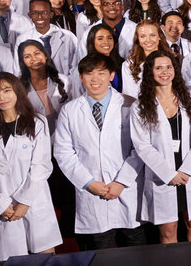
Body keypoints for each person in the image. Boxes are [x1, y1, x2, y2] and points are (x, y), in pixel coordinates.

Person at [53, 54, 145, 250]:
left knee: (136, 250)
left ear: (112, 75)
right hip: (92, 191)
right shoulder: (70, 110)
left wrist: (121, 182)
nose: (95, 79)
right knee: (103, 253)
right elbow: (63, 152)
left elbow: (140, 148)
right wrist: (88, 183)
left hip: (126, 189)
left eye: (101, 73)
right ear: (81, 77)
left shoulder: (130, 105)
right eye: (89, 73)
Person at [0, 73, 61, 260]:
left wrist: (24, 202)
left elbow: (41, 165)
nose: (1, 98)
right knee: (11, 259)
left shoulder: (37, 122)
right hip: (1, 205)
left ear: (17, 91)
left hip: (33, 201)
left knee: (46, 259)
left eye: (6, 91)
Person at [130, 51, 191, 244]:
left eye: (169, 67)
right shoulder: (140, 106)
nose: (165, 72)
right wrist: (169, 174)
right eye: (158, 68)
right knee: (168, 230)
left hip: (189, 171)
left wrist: (187, 169)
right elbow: (142, 146)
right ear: (150, 72)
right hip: (163, 174)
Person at [16, 41, 69, 131]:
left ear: (45, 55)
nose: (34, 59)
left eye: (37, 53)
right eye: (27, 56)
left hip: (63, 134)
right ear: (23, 61)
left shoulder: (65, 81)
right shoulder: (18, 85)